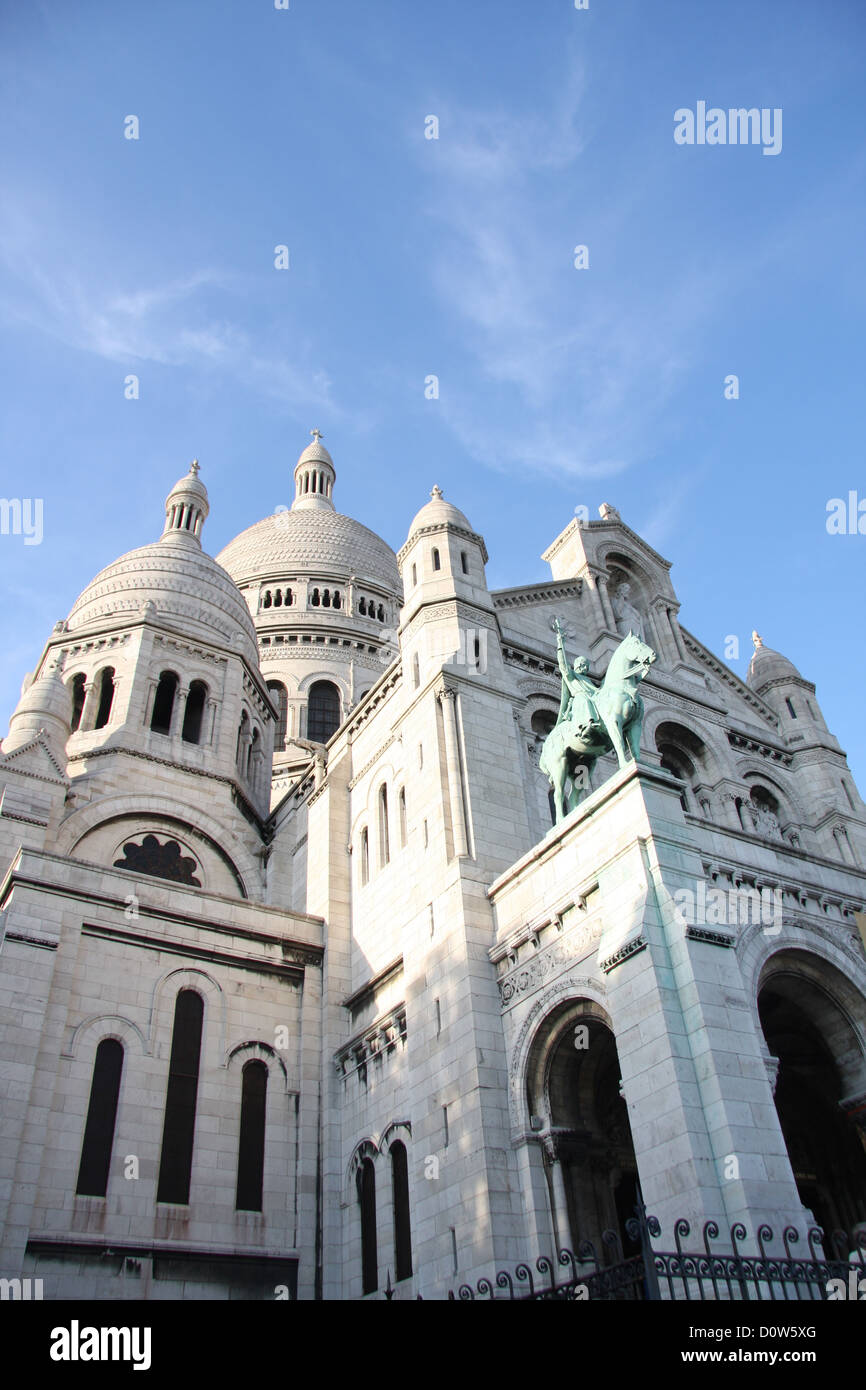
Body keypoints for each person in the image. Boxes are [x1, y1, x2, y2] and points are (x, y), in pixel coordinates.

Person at [552, 619, 598, 733]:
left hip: (592, 699)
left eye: (586, 666)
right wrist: (560, 643)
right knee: (583, 698)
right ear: (576, 666)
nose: (584, 668)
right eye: (582, 665)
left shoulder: (588, 680)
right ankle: (587, 724)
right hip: (580, 700)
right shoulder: (571, 675)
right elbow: (562, 664)